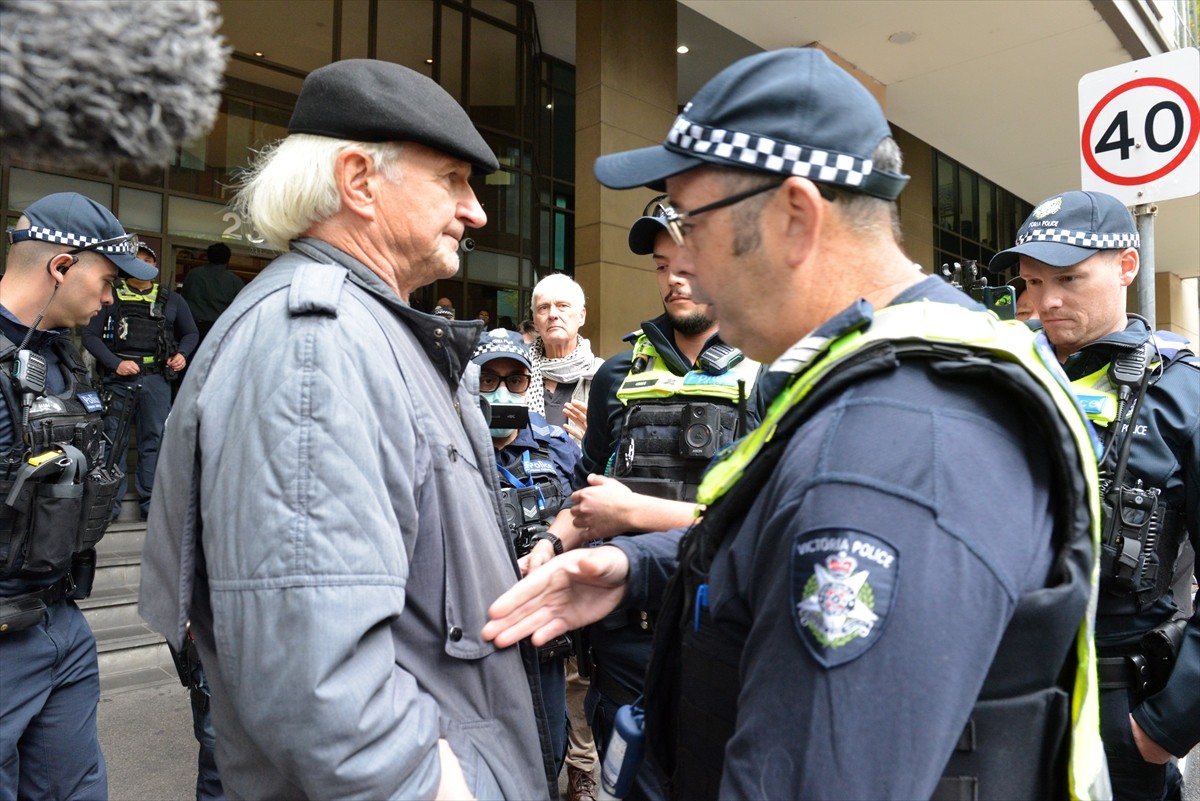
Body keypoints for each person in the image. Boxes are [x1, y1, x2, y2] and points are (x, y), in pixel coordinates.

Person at [485, 48, 1110, 800]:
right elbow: (783, 534)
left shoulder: (898, 441)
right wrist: (645, 566)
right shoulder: (869, 382)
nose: (685, 268)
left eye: (692, 223)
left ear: (794, 217)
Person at [138, 59, 557, 800]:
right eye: (453, 179)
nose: (476, 211)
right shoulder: (315, 346)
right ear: (360, 180)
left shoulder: (364, 327)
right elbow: (320, 689)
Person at [536, 205, 762, 801]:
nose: (674, 279)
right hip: (626, 642)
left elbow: (767, 524)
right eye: (664, 266)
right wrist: (551, 543)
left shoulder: (770, 373)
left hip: (723, 633)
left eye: (688, 262)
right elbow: (588, 490)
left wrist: (635, 514)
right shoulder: (617, 373)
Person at [991, 190, 1199, 801]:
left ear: (1127, 265)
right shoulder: (999, 375)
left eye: (1069, 278)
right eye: (1031, 282)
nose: (1046, 301)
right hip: (1000, 692)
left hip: (1121, 709)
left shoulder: (1181, 397)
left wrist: (1163, 727)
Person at [1, 191, 157, 800]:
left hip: (59, 620)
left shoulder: (61, 357)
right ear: (61, 267)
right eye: (108, 279)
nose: (111, 297)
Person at [472, 328, 579, 778]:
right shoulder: (448, 444)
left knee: (548, 747)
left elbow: (585, 515)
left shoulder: (556, 445)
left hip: (543, 633)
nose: (502, 390)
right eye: (488, 379)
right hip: (476, 630)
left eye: (515, 380)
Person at [81, 242, 198, 521]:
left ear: (155, 266)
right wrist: (116, 363)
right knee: (115, 443)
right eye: (138, 260)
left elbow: (191, 333)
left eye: (149, 260)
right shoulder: (113, 295)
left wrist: (182, 355)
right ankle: (109, 508)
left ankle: (152, 508)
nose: (144, 265)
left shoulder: (171, 299)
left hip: (156, 380)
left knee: (154, 443)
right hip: (118, 382)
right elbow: (89, 336)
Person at [527, 274, 604, 443]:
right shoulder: (518, 374)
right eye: (543, 308)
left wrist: (596, 446)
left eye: (562, 306)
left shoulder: (604, 377)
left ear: (581, 316)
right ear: (535, 321)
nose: (553, 314)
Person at [179, 242, 243, 342]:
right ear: (228, 259)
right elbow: (240, 309)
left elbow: (182, 300)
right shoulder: (235, 281)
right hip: (219, 329)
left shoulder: (193, 275)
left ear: (208, 256)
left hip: (193, 327)